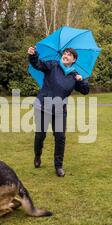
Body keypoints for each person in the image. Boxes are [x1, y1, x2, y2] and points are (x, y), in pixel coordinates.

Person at [28, 46, 90, 177]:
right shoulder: (53, 65)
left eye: (69, 55)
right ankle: (37, 156)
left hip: (60, 109)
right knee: (40, 135)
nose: (66, 55)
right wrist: (33, 55)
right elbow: (37, 64)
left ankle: (58, 166)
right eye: (65, 53)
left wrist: (82, 80)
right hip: (43, 106)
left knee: (60, 138)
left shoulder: (74, 75)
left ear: (74, 60)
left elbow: (85, 91)